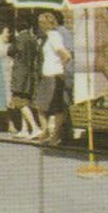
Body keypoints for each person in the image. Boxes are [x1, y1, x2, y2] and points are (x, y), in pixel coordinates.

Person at [33, 10, 75, 144]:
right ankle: (47, 132)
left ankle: (54, 134)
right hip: (48, 75)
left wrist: (61, 66)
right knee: (42, 106)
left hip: (54, 75)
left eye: (41, 22)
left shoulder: (54, 36)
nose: (40, 25)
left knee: (56, 107)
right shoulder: (49, 36)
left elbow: (66, 55)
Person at [8, 19, 44, 141]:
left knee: (19, 101)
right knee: (26, 101)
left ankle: (35, 128)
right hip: (30, 74)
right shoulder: (33, 39)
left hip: (19, 74)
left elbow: (10, 51)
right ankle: (24, 130)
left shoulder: (19, 39)